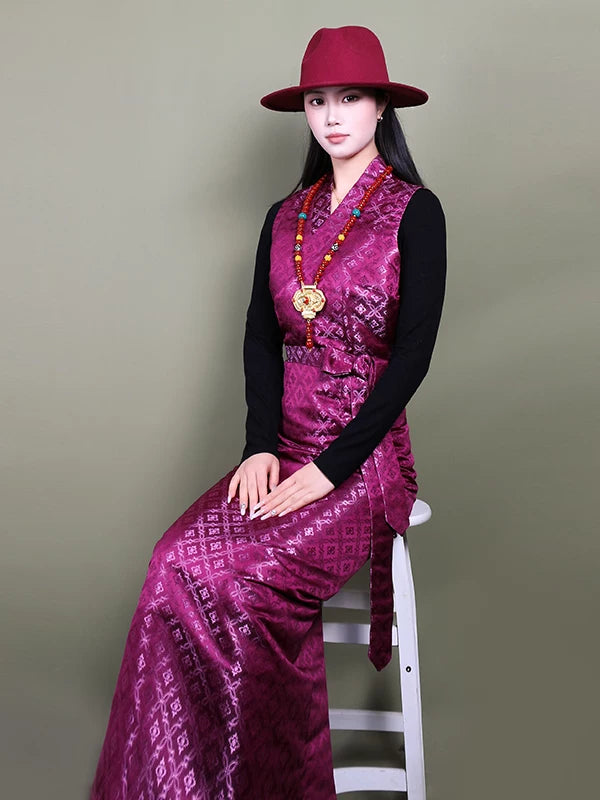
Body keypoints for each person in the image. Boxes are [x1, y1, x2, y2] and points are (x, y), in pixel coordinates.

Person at [90, 24, 446, 800]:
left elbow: (412, 359)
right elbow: (259, 337)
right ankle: (178, 784)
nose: (332, 115)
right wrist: (260, 446)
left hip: (362, 462)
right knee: (171, 566)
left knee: (244, 583)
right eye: (318, 101)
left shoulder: (415, 212)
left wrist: (331, 470)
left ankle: (266, 781)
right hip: (282, 448)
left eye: (350, 97)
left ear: (381, 107)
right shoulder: (285, 217)